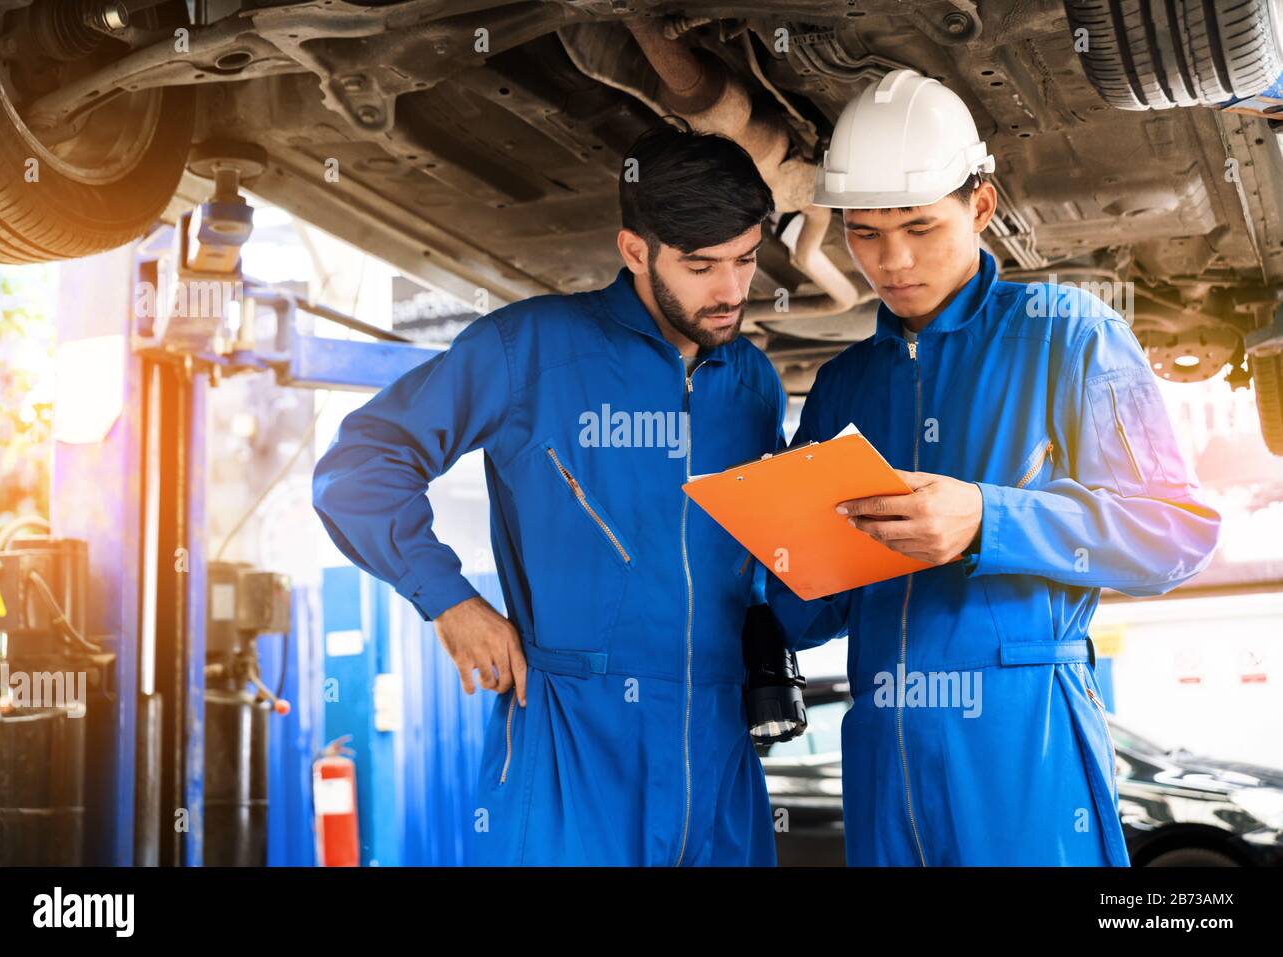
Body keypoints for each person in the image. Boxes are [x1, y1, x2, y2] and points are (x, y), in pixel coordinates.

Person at [767, 69, 1221, 866]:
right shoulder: (843, 384)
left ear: (980, 205)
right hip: (879, 750)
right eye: (864, 233)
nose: (892, 260)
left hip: (1023, 740)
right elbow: (814, 613)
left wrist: (988, 518)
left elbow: (1174, 535)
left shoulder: (1068, 335)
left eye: (918, 226)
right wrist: (777, 547)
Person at [312, 122, 787, 865]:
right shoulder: (527, 350)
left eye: (745, 260)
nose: (730, 291)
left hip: (719, 760)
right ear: (635, 250)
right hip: (572, 748)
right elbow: (360, 465)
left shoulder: (753, 382)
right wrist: (448, 598)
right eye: (700, 265)